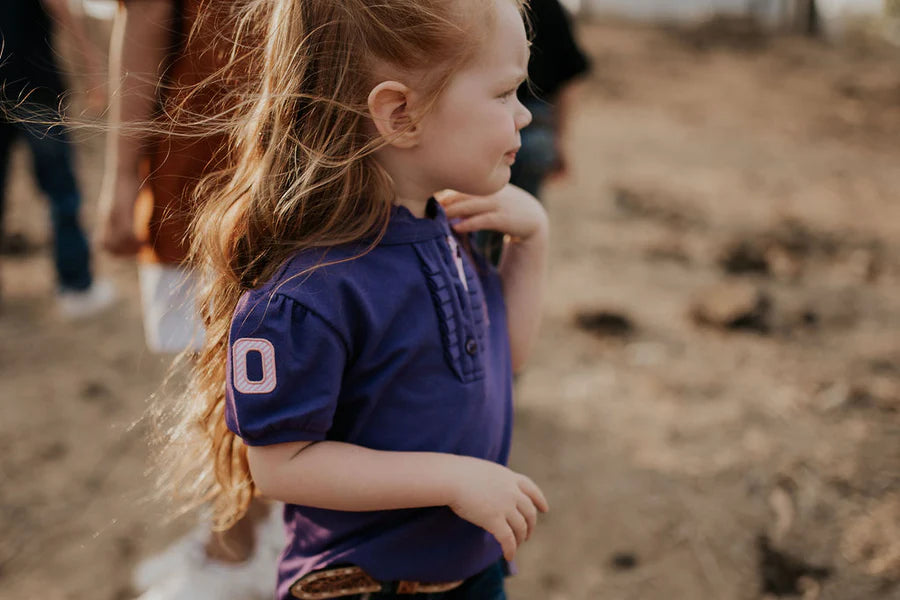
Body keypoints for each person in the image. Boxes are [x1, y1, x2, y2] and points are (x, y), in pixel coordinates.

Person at [157, 0, 551, 598]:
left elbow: (506, 359)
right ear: (400, 114)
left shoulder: (448, 227)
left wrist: (534, 243)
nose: (523, 116)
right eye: (504, 94)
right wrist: (452, 479)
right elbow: (278, 465)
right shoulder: (311, 288)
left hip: (470, 569)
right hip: (361, 586)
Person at [96, 1, 281, 598]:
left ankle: (241, 549)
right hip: (295, 144)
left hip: (218, 150)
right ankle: (238, 530)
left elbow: (147, 17)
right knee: (243, 367)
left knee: (226, 372)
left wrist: (123, 178)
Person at [0, 0, 115, 317]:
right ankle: (77, 287)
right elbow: (61, 8)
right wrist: (93, 68)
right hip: (34, 88)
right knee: (62, 192)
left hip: (27, 86)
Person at [476, 0, 590, 264]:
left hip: (487, 124)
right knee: (519, 230)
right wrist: (561, 139)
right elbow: (569, 79)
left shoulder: (482, 8)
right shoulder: (550, 8)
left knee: (478, 225)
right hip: (537, 129)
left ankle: (482, 289)